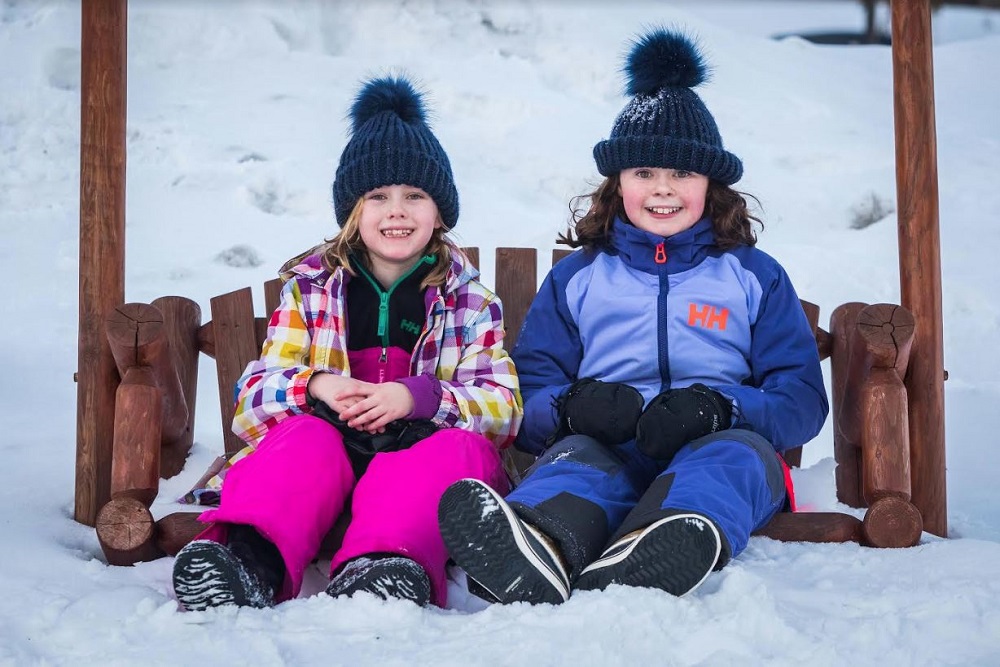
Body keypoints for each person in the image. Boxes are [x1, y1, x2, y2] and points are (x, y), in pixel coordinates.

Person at [437, 28, 828, 605]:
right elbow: (531, 393)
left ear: (710, 184)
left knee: (725, 464)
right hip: (609, 444)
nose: (662, 190)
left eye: (681, 175)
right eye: (644, 174)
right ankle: (533, 542)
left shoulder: (751, 276)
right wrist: (574, 408)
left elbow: (800, 399)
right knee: (574, 464)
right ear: (617, 184)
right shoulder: (580, 279)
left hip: (723, 444)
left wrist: (724, 408)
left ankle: (662, 543)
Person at [171, 75, 521, 611]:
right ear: (353, 211)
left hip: (418, 453)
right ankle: (247, 561)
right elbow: (251, 406)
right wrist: (316, 386)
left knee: (456, 451)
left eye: (415, 195)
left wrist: (420, 397)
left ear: (440, 212)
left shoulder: (467, 301)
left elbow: (502, 410)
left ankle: (384, 565)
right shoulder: (310, 293)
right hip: (328, 457)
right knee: (301, 442)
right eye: (378, 196)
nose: (397, 210)